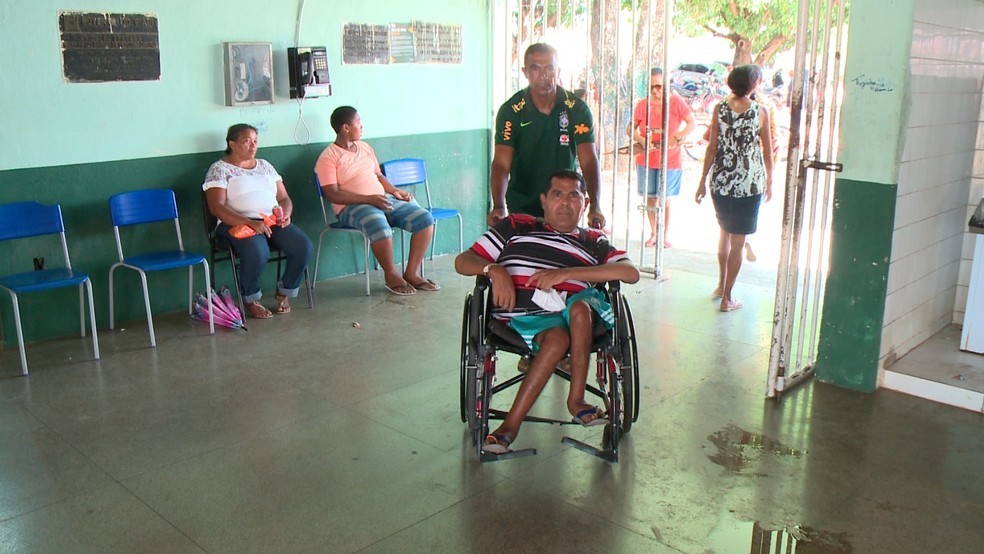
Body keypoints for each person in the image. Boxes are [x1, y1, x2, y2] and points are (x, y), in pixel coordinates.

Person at [456, 170, 640, 453]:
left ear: (584, 203)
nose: (565, 203)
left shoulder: (593, 239)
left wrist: (566, 273)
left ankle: (575, 399)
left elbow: (630, 272)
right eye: (557, 194)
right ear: (543, 201)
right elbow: (463, 260)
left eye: (573, 195)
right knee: (555, 339)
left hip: (580, 311)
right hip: (524, 318)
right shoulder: (517, 225)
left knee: (579, 308)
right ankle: (509, 427)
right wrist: (493, 269)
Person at [314, 106, 438, 296]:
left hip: (382, 200)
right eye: (358, 122)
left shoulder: (365, 147)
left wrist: (396, 191)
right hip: (351, 207)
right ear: (346, 127)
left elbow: (379, 176)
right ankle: (391, 275)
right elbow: (332, 194)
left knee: (425, 219)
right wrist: (369, 199)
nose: (362, 126)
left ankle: (412, 272)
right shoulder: (328, 157)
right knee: (379, 227)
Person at [488, 43, 606, 230]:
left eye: (549, 68)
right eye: (535, 68)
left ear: (558, 70)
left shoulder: (577, 109)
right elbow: (501, 164)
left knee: (560, 256)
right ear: (525, 72)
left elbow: (589, 161)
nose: (543, 75)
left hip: (563, 204)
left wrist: (595, 205)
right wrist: (498, 206)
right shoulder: (510, 111)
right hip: (522, 204)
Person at [203, 124, 314, 319]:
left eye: (255, 141)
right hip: (235, 223)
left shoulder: (265, 165)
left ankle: (284, 292)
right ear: (232, 144)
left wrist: (285, 214)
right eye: (247, 141)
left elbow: (284, 199)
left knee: (303, 246)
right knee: (257, 249)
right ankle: (250, 298)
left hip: (271, 220)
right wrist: (248, 222)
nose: (253, 146)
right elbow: (216, 207)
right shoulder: (219, 169)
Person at [695, 65, 774, 312]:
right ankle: (728, 298)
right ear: (754, 85)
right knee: (738, 241)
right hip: (749, 183)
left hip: (721, 181)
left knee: (724, 234)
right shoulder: (761, 112)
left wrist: (701, 181)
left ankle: (721, 285)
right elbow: (768, 151)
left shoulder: (719, 109)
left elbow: (712, 148)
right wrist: (770, 181)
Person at [629, 67, 696, 248]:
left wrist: (677, 136)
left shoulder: (676, 102)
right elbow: (630, 128)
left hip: (670, 160)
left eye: (658, 86)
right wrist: (641, 139)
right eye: (651, 87)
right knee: (650, 199)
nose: (655, 91)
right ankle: (654, 233)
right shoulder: (643, 104)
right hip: (646, 159)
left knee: (664, 199)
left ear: (665, 85)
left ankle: (664, 235)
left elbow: (692, 122)